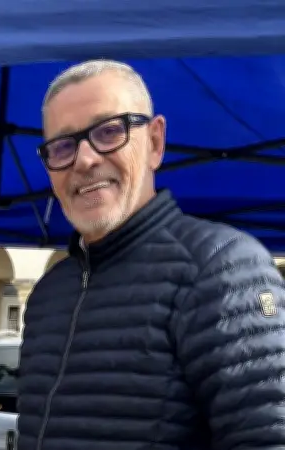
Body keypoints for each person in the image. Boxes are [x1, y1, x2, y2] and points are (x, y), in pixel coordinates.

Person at [17, 59, 285, 450]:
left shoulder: (221, 269)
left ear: (155, 142)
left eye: (109, 131)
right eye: (63, 146)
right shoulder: (46, 297)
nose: (85, 159)